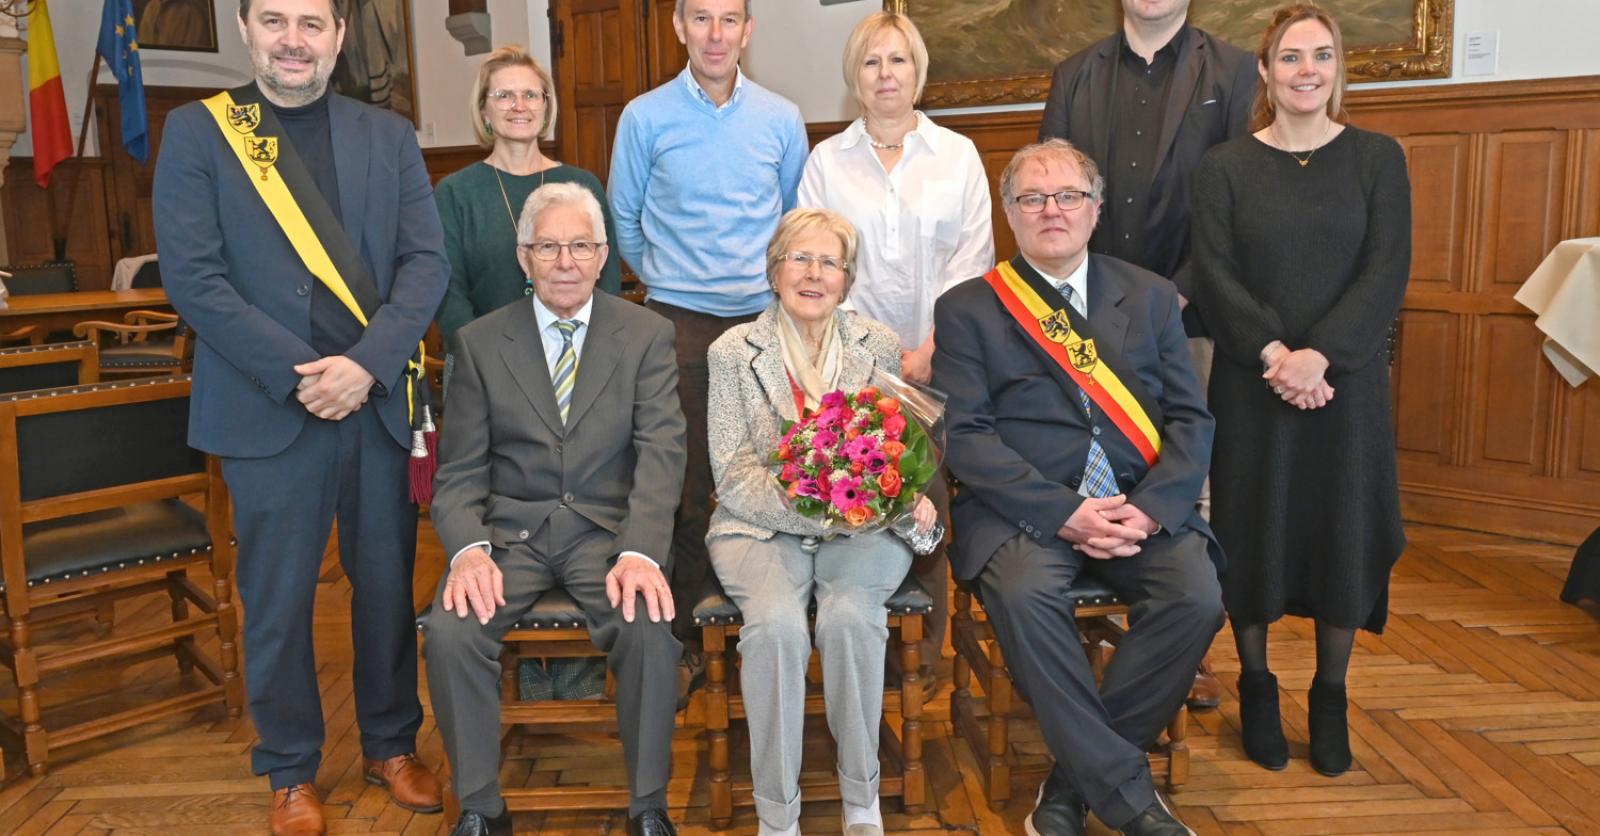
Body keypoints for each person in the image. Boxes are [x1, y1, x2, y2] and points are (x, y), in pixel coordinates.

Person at [152, 1, 448, 832]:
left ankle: (392, 743)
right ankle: (289, 769)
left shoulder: (385, 135)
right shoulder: (200, 134)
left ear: (339, 37)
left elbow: (425, 263)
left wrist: (365, 365)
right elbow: (195, 280)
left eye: (311, 23)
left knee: (388, 586)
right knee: (277, 598)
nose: (293, 39)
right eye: (274, 20)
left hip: (374, 400)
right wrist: (303, 376)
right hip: (265, 407)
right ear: (247, 32)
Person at [933, 140, 1223, 836]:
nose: (1051, 211)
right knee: (1025, 594)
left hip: (1138, 502)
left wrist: (1152, 512)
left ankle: (1072, 781)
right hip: (1025, 511)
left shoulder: (1150, 296)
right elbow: (965, 437)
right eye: (1032, 199)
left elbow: (1190, 417)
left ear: (1096, 210)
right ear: (1009, 214)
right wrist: (1063, 512)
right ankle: (1126, 796)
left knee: (1198, 596)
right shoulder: (969, 308)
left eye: (1068, 196)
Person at [423, 182, 686, 836]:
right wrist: (467, 550)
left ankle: (647, 807)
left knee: (649, 626)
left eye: (580, 246)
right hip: (510, 536)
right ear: (524, 256)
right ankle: (482, 809)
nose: (565, 261)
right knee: (452, 629)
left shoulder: (646, 334)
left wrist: (641, 549)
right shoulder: (481, 343)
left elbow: (662, 452)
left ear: (603, 256)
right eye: (549, 246)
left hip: (609, 535)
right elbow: (457, 473)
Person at [1191, 3, 1411, 778]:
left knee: (1342, 531)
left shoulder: (1379, 158)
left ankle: (1329, 697)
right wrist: (1279, 355)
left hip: (1346, 392)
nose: (1306, 70)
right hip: (1255, 388)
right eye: (1290, 57)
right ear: (1265, 71)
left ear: (1338, 67)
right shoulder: (1224, 167)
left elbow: (1386, 272)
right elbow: (1215, 276)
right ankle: (1256, 687)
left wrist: (1322, 358)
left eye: (1321, 55)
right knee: (1253, 529)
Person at [1038, 0, 1257, 710]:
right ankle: (1067, 634)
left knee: (1176, 481)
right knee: (1078, 459)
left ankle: (1172, 649)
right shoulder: (1076, 76)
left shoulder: (1233, 70)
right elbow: (1053, 194)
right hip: (1083, 315)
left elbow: (1236, 203)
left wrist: (1177, 295)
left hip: (1185, 314)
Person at [706, 208, 937, 836]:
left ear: (847, 278)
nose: (813, 273)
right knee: (777, 628)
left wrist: (879, 501)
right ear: (774, 269)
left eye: (829, 262)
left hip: (864, 529)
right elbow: (731, 472)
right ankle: (777, 815)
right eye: (799, 258)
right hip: (758, 528)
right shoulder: (732, 352)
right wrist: (815, 500)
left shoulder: (879, 345)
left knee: (849, 620)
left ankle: (862, 800)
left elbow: (898, 446)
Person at [608, 0, 808, 696]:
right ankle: (685, 639)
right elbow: (624, 219)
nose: (716, 33)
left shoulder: (781, 119)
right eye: (702, 18)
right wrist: (669, 277)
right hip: (678, 322)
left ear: (748, 31)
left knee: (771, 474)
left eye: (730, 19)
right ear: (679, 27)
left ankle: (772, 626)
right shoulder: (645, 116)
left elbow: (791, 222)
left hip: (763, 322)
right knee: (688, 484)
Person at [797, 11, 992, 675]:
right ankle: (857, 652)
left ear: (919, 72)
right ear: (855, 76)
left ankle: (927, 657)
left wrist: (926, 352)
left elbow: (973, 264)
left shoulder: (957, 157)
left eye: (899, 60)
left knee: (926, 503)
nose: (886, 74)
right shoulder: (827, 162)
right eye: (873, 62)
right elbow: (815, 262)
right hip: (848, 366)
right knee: (854, 499)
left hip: (940, 363)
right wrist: (879, 358)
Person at [435, 45, 622, 350]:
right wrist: (483, 356)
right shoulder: (455, 193)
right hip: (485, 359)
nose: (519, 106)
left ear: (546, 107)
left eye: (531, 95)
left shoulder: (582, 184)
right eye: (504, 96)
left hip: (574, 353)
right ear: (483, 109)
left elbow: (607, 281)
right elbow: (447, 292)